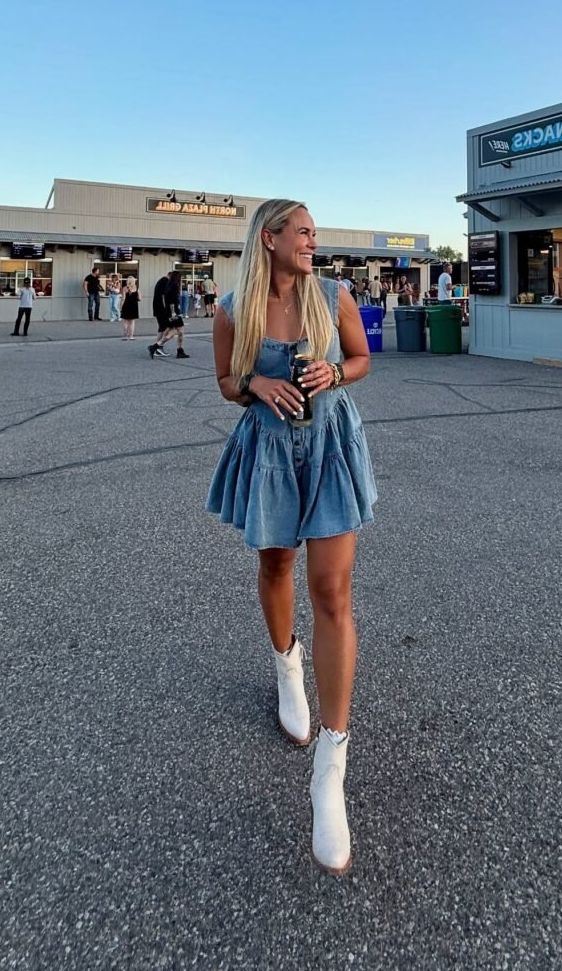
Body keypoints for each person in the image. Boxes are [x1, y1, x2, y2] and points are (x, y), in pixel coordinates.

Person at [206, 199, 377, 875]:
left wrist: (334, 371)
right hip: (271, 451)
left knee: (332, 590)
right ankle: (287, 670)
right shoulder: (230, 309)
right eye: (303, 231)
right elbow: (222, 382)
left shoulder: (333, 296)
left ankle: (329, 769)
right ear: (269, 239)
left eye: (314, 232)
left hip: (332, 445)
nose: (314, 240)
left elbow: (363, 359)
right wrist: (253, 380)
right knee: (275, 568)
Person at [148, 270, 189, 359]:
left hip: (168, 312)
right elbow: (171, 301)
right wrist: (173, 313)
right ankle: (179, 350)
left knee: (170, 333)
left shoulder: (168, 286)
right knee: (180, 332)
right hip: (173, 313)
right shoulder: (173, 286)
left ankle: (155, 347)